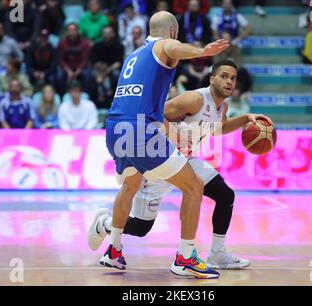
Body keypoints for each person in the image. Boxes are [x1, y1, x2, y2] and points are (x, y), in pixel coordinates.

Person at [90, 59, 273, 270]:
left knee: (225, 195)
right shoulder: (195, 99)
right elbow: (155, 113)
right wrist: (173, 132)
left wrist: (245, 119)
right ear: (212, 79)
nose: (229, 81)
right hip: (159, 163)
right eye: (224, 76)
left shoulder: (222, 107)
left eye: (233, 78)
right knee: (141, 227)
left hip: (184, 162)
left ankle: (217, 254)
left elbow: (218, 128)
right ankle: (104, 225)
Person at [96, 10, 230, 279]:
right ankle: (185, 256)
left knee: (130, 184)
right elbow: (172, 47)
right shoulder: (162, 44)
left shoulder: (133, 56)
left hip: (115, 127)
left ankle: (113, 249)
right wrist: (202, 50)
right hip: (140, 130)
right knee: (193, 186)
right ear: (172, 31)